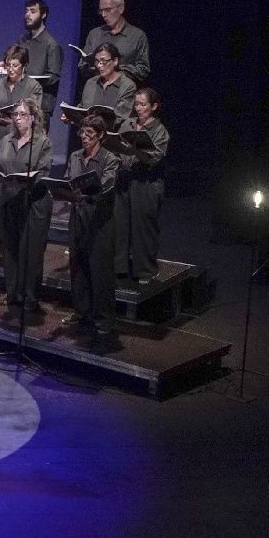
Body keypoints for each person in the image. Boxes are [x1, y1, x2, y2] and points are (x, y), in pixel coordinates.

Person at [0, 96, 53, 321]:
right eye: (15, 115)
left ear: (34, 118)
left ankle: (30, 297)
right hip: (10, 200)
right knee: (11, 249)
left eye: (22, 115)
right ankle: (12, 293)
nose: (17, 119)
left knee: (31, 251)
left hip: (33, 202)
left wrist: (27, 180)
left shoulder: (42, 142)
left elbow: (44, 171)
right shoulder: (6, 140)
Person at [65, 111, 121, 339]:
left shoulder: (110, 159)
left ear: (100, 136)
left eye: (89, 133)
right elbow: (69, 180)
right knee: (78, 266)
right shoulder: (75, 156)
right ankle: (82, 311)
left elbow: (107, 187)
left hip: (99, 221)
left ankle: (104, 319)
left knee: (100, 271)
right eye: (82, 132)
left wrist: (87, 190)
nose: (84, 137)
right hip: (78, 216)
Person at [0, 45, 43, 244]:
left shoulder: (33, 87)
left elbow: (36, 116)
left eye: (15, 66)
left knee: (16, 186)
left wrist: (14, 120)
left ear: (24, 66)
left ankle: (15, 229)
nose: (10, 69)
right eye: (8, 65)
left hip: (20, 142)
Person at [115, 86, 170, 281]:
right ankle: (119, 267)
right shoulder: (128, 124)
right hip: (125, 180)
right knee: (120, 225)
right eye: (136, 104)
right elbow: (117, 147)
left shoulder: (159, 130)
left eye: (143, 104)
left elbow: (155, 157)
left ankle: (144, 270)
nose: (138, 108)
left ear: (154, 106)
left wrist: (135, 151)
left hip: (146, 183)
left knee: (143, 228)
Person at [80, 0, 151, 85]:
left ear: (121, 9)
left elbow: (143, 70)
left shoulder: (137, 36)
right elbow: (82, 66)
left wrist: (116, 68)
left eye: (108, 10)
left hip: (123, 92)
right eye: (101, 11)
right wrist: (92, 66)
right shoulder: (94, 34)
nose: (103, 15)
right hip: (96, 90)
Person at [17, 0, 64, 124]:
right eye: (26, 11)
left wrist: (34, 79)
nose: (28, 15)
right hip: (20, 102)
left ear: (43, 15)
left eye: (33, 11)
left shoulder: (51, 45)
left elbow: (54, 77)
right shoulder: (23, 40)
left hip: (40, 106)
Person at [79, 43, 136, 131]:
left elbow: (120, 117)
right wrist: (71, 115)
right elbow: (83, 108)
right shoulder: (91, 83)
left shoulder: (128, 86)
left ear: (115, 61)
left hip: (113, 137)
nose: (99, 65)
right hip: (89, 138)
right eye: (97, 61)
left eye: (103, 61)